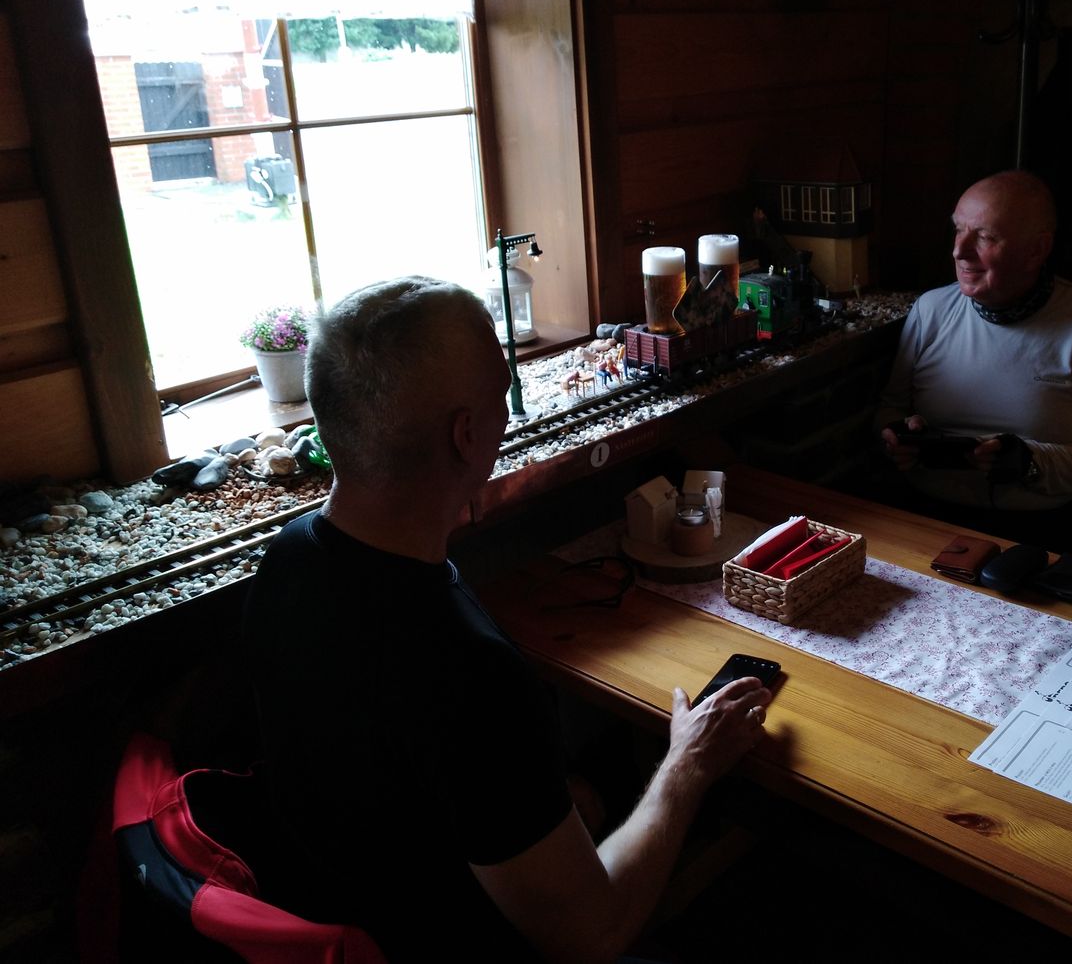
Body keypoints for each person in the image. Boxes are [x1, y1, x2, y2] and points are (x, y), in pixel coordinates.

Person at [244, 277, 772, 962]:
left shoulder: (288, 562)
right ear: (467, 436)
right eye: (503, 390)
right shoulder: (466, 670)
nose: (509, 408)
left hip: (365, 911)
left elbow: (407, 773)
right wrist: (686, 764)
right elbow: (593, 933)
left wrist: (529, 808)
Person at [876, 171, 1072, 554]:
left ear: (1036, 250)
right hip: (929, 520)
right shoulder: (931, 310)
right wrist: (896, 436)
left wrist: (1033, 461)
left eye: (984, 236)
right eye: (958, 230)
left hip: (1037, 531)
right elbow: (890, 409)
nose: (959, 251)